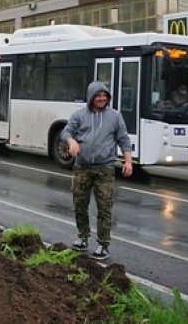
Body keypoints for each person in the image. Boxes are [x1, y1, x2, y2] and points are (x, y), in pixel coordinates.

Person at [61, 81, 132, 261]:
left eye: (104, 96)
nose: (101, 99)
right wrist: (71, 141)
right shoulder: (79, 115)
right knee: (80, 204)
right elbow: (66, 132)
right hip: (82, 167)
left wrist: (128, 161)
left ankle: (103, 244)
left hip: (105, 168)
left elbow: (124, 139)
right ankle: (82, 237)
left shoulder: (115, 116)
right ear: (91, 97)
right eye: (98, 96)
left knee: (105, 207)